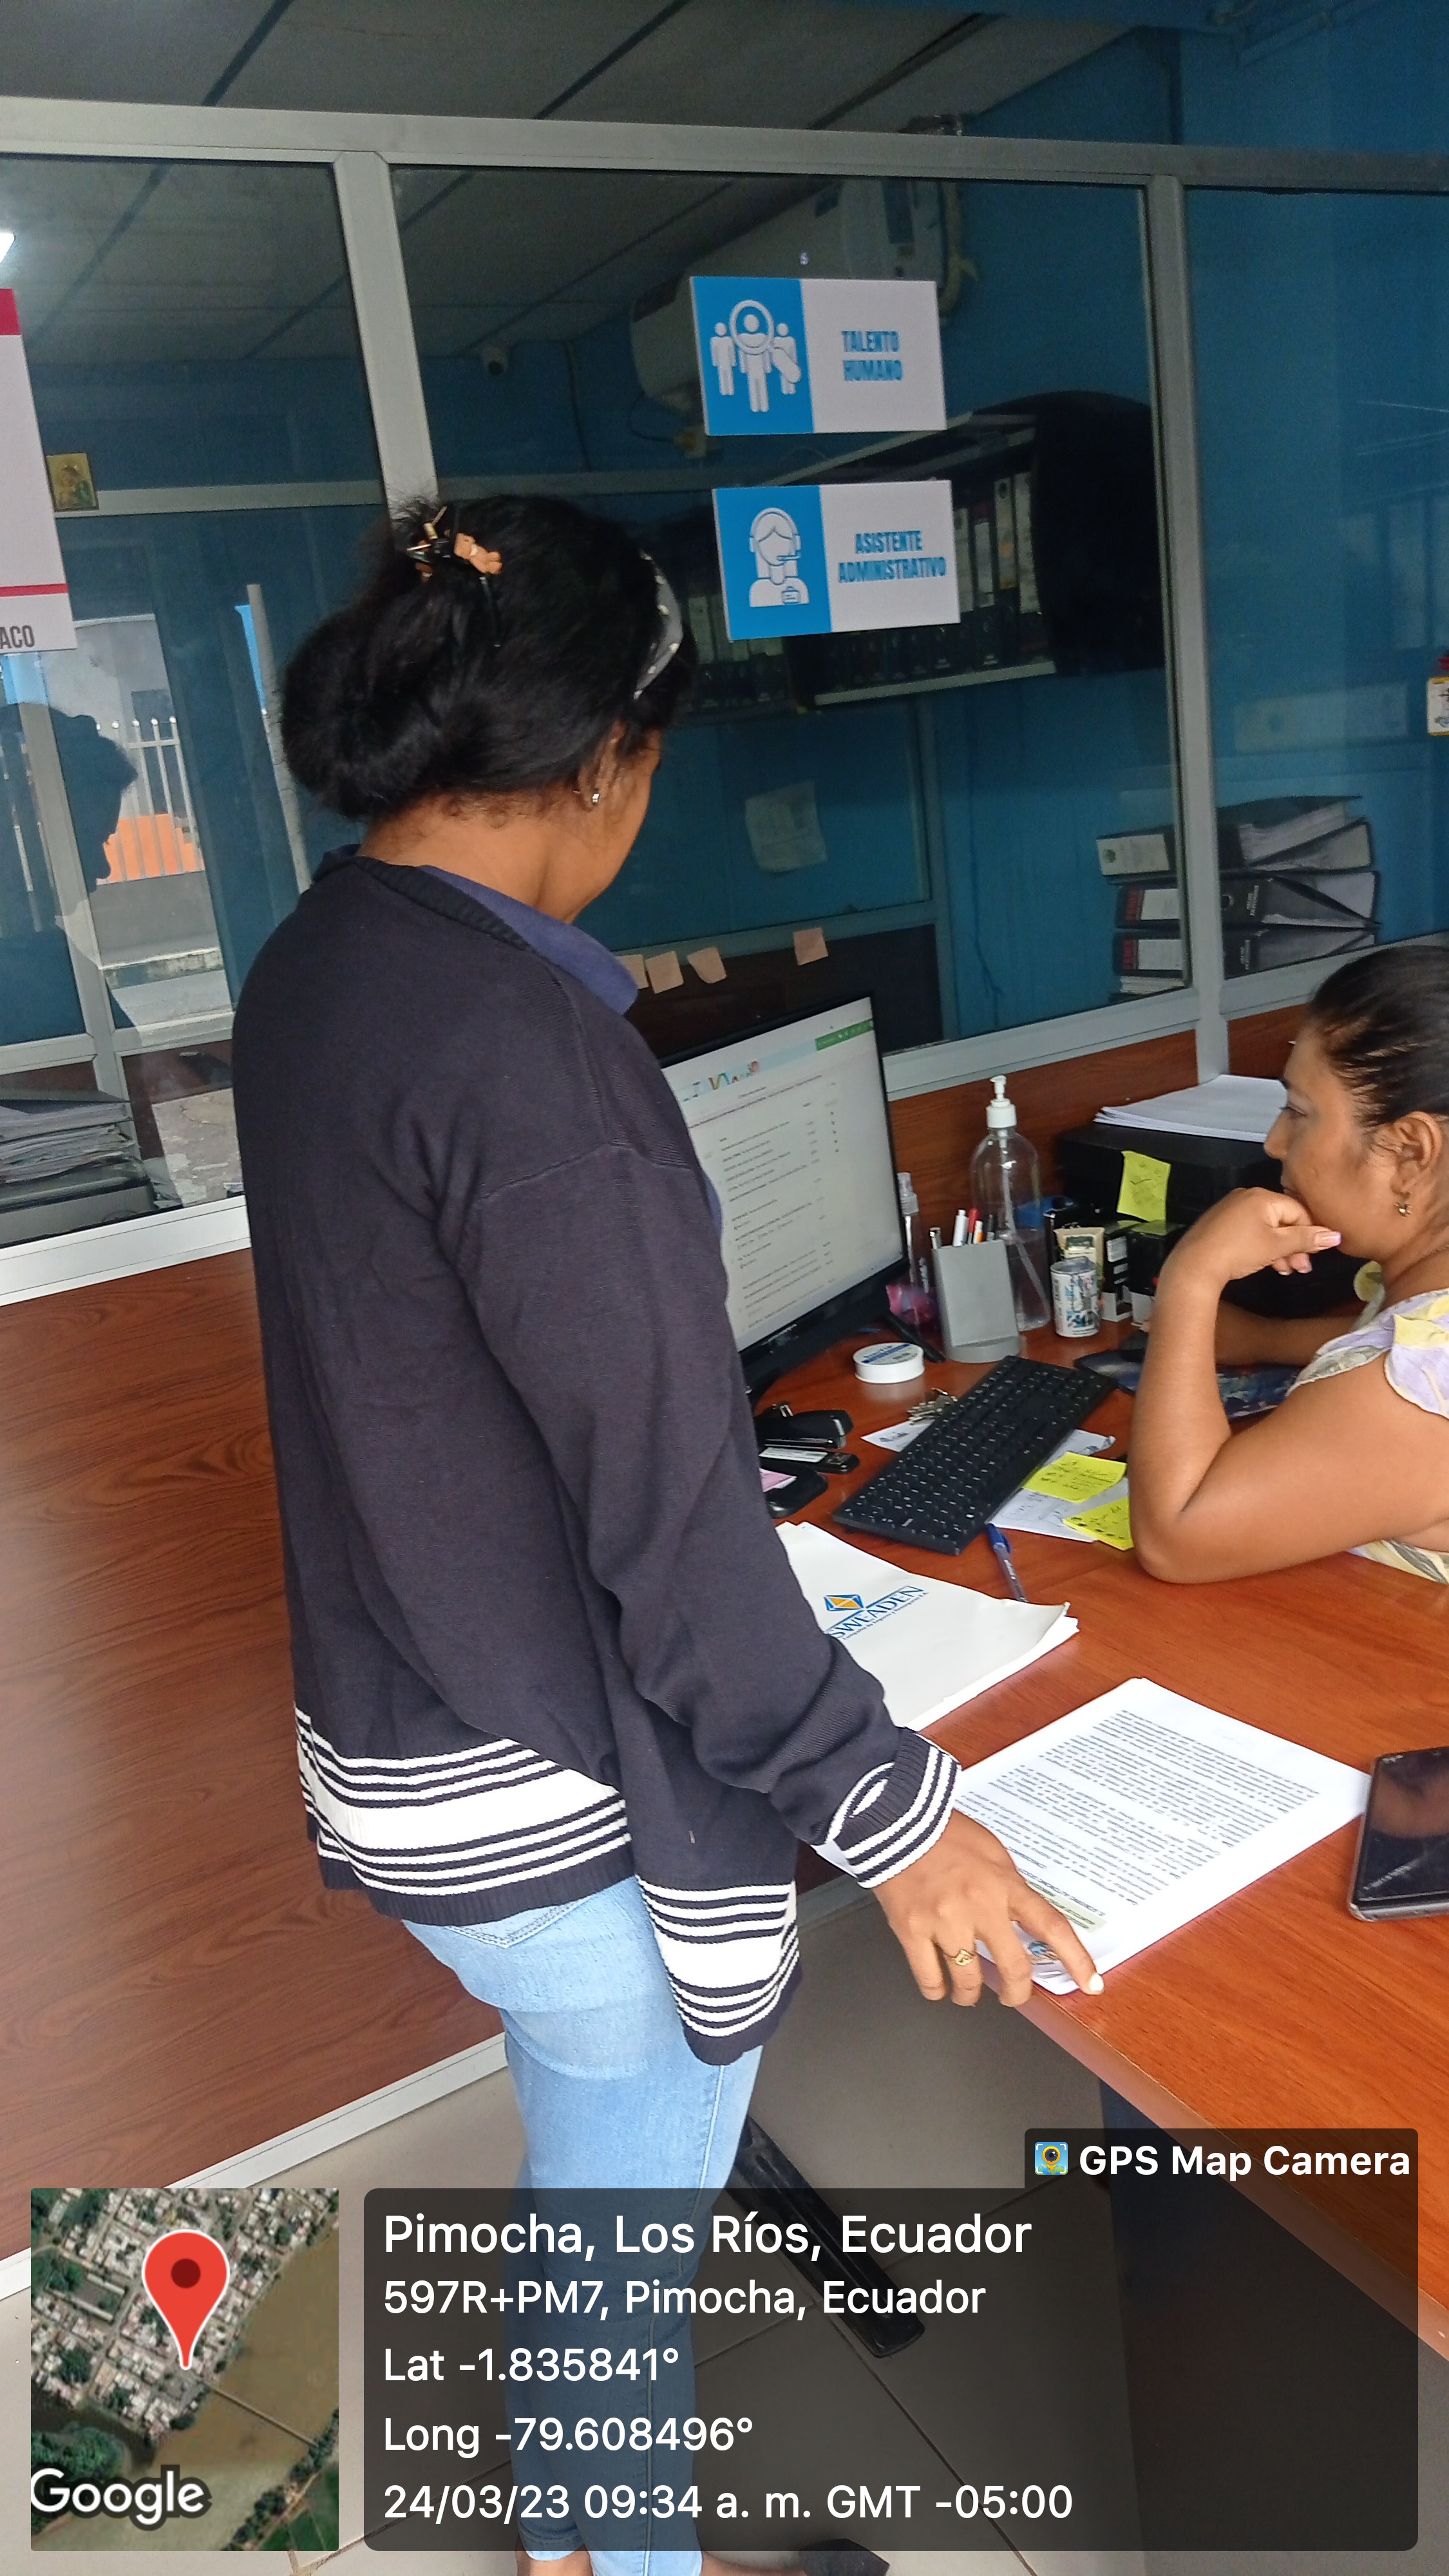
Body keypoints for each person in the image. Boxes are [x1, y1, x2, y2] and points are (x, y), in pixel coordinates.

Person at [232, 493, 1098, 2576]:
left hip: (403, 1728)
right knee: (628, 2217)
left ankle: (565, 2521)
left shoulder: (328, 954)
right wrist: (903, 1821)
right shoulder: (537, 1063)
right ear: (613, 761)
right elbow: (676, 1542)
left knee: (590, 2174)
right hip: (543, 1789)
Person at [1130, 945, 1449, 1584]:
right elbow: (1390, 1337)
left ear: (1411, 1153)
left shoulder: (1418, 1391)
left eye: (1300, 1113)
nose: (1275, 1143)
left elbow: (1177, 1535)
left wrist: (1192, 1278)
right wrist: (1264, 1339)